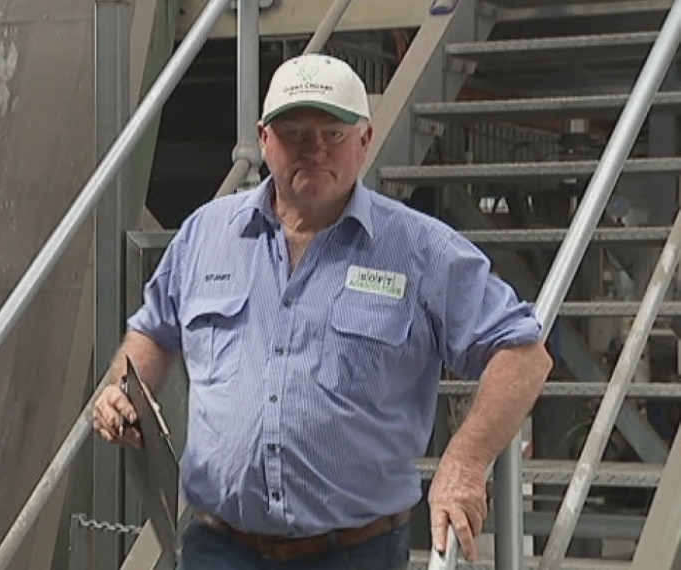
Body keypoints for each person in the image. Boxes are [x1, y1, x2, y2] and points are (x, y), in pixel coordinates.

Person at [92, 52, 552, 569]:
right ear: (264, 139)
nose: (315, 149)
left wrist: (466, 462)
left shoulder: (420, 249)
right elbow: (152, 331)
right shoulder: (205, 234)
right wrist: (122, 390)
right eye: (294, 132)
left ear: (365, 141)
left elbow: (523, 355)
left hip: (353, 554)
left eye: (333, 133)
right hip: (216, 549)